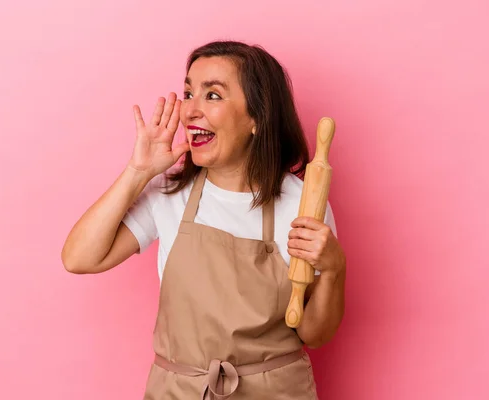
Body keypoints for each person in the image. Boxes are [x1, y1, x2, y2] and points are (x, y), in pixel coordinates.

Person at [61, 40, 346, 399]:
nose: (190, 110)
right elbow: (78, 258)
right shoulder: (169, 194)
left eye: (212, 95)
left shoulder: (301, 204)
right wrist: (137, 172)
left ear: (257, 117)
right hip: (179, 391)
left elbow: (315, 334)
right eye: (188, 92)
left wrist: (335, 268)